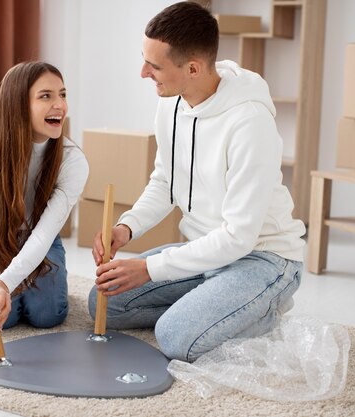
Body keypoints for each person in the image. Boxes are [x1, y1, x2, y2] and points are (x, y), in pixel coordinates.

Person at [88, 2, 306, 363]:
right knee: (104, 302)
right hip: (204, 253)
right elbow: (165, 180)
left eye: (154, 65)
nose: (143, 73)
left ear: (192, 68)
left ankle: (262, 305)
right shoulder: (171, 100)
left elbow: (239, 237)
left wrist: (149, 269)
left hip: (263, 258)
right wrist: (127, 227)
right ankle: (216, 305)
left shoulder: (249, 123)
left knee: (176, 338)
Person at [0, 61, 89, 332]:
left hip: (40, 236)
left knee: (47, 316)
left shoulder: (72, 160)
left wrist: (4, 282)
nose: (59, 104)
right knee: (1, 318)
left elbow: (44, 235)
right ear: (18, 104)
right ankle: (8, 285)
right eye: (46, 96)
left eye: (62, 94)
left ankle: (22, 287)